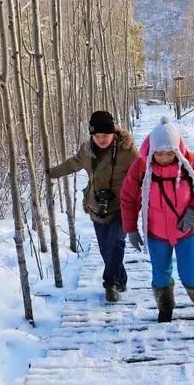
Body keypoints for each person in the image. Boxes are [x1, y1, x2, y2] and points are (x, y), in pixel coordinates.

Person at [120, 116, 194, 322]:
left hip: (186, 231)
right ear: (152, 149)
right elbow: (128, 198)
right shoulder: (141, 167)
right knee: (160, 275)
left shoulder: (192, 163)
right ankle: (165, 307)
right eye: (159, 153)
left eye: (169, 153)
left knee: (190, 273)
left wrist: (193, 211)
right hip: (156, 234)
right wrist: (131, 229)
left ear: (177, 150)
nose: (164, 157)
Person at [49, 110, 138, 303]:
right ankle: (120, 279)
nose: (101, 139)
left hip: (122, 207)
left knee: (116, 243)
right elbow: (72, 164)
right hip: (97, 207)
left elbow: (141, 175)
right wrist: (51, 173)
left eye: (105, 135)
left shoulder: (127, 151)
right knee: (107, 249)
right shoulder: (86, 150)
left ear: (113, 131)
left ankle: (110, 285)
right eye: (96, 135)